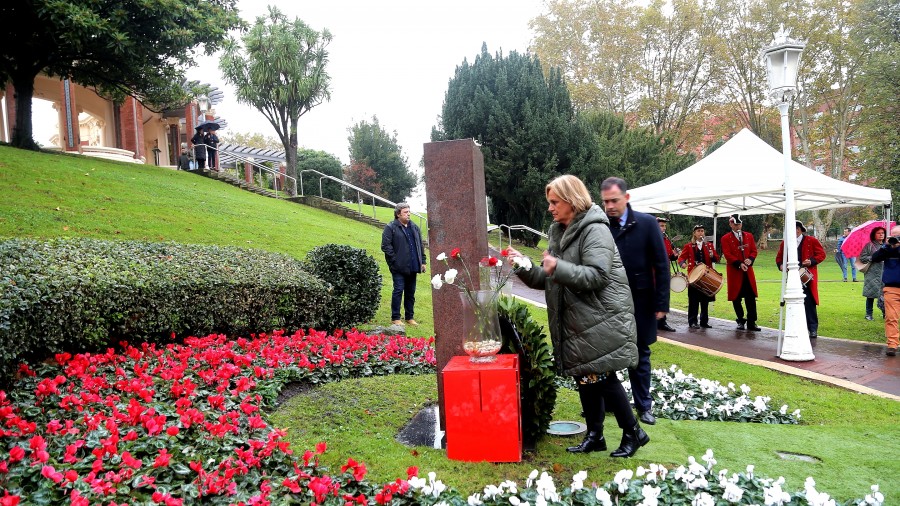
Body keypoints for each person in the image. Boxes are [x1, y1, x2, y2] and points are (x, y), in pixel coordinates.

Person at [507, 175, 647, 458]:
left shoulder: (595, 229)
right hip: (578, 318)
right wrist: (523, 264)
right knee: (585, 376)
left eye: (554, 202)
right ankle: (595, 435)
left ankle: (634, 432)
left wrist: (556, 266)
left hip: (600, 315)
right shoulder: (559, 231)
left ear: (572, 200)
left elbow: (596, 275)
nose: (550, 208)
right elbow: (549, 277)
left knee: (603, 376)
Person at [600, 177, 670, 426]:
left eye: (614, 200)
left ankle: (644, 406)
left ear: (626, 198)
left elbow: (661, 265)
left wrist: (661, 304)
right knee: (605, 353)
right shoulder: (600, 226)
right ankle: (608, 402)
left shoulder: (647, 223)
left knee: (640, 354)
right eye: (606, 201)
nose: (610, 206)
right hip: (608, 301)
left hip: (641, 300)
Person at [776, 221, 826, 338]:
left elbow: (821, 255)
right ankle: (795, 327)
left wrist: (811, 261)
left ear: (798, 230)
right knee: (792, 301)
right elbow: (779, 258)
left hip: (807, 276)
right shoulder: (785, 243)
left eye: (792, 229)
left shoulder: (811, 240)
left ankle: (812, 329)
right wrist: (781, 265)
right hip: (792, 276)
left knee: (809, 303)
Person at [381, 203, 426, 326]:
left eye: (409, 211)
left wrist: (423, 261)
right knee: (398, 290)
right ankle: (395, 318)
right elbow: (385, 246)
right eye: (405, 212)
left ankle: (409, 317)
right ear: (398, 214)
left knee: (410, 292)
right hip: (398, 267)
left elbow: (420, 246)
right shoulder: (391, 227)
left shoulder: (414, 227)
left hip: (413, 266)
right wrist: (395, 260)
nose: (408, 214)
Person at [720, 214, 761, 331]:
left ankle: (752, 322)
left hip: (747, 271)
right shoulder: (725, 238)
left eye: (739, 224)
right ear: (730, 224)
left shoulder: (748, 236)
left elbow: (753, 250)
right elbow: (727, 254)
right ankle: (740, 320)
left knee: (750, 297)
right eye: (735, 224)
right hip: (735, 271)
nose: (738, 226)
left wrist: (750, 259)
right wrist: (739, 263)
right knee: (736, 297)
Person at [678, 225, 720, 329]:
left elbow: (716, 259)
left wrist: (712, 255)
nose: (701, 233)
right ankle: (692, 321)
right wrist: (682, 263)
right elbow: (681, 258)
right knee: (693, 300)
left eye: (702, 231)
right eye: (698, 231)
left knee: (705, 300)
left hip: (706, 276)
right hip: (693, 277)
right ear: (694, 233)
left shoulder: (709, 245)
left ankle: (704, 321)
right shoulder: (689, 246)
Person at [871, 225, 900, 356]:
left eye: (898, 236)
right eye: (894, 236)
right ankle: (892, 344)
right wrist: (886, 246)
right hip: (891, 287)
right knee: (891, 317)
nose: (896, 238)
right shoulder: (887, 249)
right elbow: (875, 258)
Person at [859, 226, 886, 321]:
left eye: (882, 233)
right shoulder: (869, 246)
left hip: (885, 273)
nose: (881, 234)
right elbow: (863, 258)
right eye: (878, 233)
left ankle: (885, 313)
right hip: (872, 273)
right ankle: (868, 314)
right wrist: (872, 258)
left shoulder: (887, 245)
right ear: (874, 235)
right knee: (870, 294)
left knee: (885, 294)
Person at [656, 217, 678, 332]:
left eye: (665, 226)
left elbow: (670, 256)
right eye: (661, 225)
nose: (664, 228)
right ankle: (654, 322)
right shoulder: (652, 238)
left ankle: (662, 322)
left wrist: (675, 255)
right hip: (655, 272)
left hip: (665, 272)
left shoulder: (666, 239)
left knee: (663, 296)